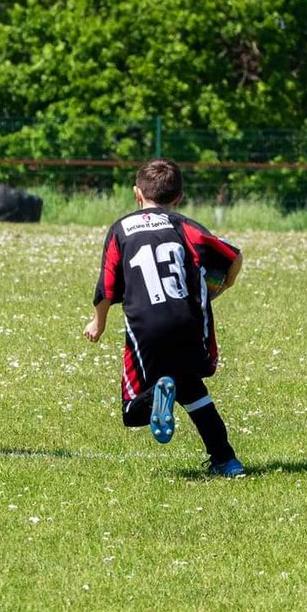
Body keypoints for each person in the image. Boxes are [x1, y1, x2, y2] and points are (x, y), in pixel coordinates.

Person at [83, 158, 246, 477]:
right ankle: (226, 461)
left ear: (137, 194)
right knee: (193, 390)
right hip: (188, 323)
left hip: (145, 328)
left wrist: (98, 323)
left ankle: (157, 391)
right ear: (179, 198)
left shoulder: (121, 229)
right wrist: (227, 282)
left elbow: (106, 286)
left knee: (133, 412)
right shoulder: (184, 226)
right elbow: (232, 255)